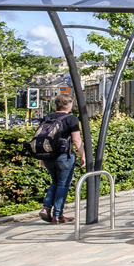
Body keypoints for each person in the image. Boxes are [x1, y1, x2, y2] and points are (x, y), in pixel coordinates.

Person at [38, 96, 87, 224]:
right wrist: (83, 154)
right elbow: (76, 139)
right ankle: (57, 215)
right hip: (64, 156)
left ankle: (46, 207)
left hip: (48, 156)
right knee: (63, 184)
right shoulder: (71, 119)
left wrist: (41, 157)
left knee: (55, 181)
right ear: (69, 105)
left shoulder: (47, 118)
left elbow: (42, 137)